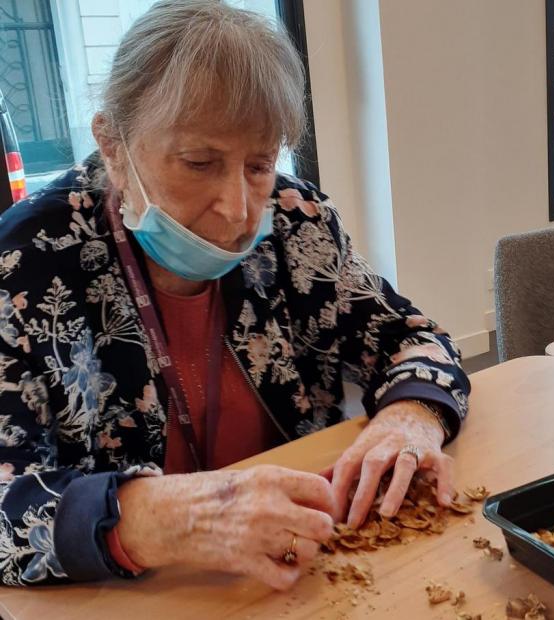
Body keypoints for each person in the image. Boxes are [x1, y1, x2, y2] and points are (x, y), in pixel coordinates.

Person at [0, 0, 469, 589]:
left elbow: (412, 340)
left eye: (259, 163)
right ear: (113, 145)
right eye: (199, 162)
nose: (238, 209)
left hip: (306, 576)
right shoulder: (26, 261)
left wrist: (410, 418)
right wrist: (163, 517)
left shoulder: (296, 222)